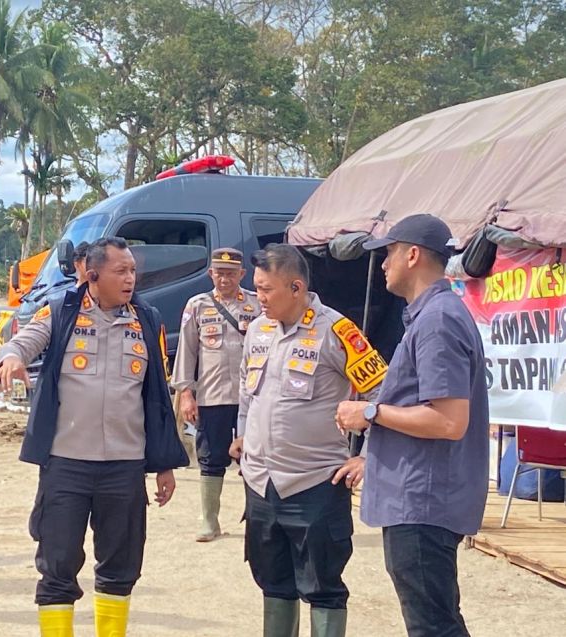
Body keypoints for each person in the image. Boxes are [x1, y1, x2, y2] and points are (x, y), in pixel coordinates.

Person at [0, 237, 188, 637]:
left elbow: (155, 396)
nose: (130, 278)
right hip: (66, 466)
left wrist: (164, 464)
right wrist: (12, 358)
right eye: (121, 271)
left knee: (120, 567)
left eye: (133, 270)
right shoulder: (62, 312)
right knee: (57, 564)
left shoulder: (147, 320)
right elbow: (21, 342)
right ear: (93, 275)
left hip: (124, 468)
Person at [336, 214, 489, 637]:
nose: (383, 264)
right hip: (421, 494)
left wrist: (369, 414)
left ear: (413, 254)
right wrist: (375, 457)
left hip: (425, 501)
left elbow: (449, 420)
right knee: (435, 620)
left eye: (388, 253)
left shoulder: (438, 319)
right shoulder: (432, 315)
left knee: (433, 626)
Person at [230, 243, 386, 637]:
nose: (258, 297)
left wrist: (369, 457)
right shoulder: (258, 330)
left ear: (296, 288)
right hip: (261, 485)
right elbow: (248, 393)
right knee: (273, 583)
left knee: (323, 590)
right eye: (257, 288)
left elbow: (382, 394)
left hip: (314, 484)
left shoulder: (338, 331)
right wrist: (243, 434)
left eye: (266, 289)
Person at [172, 247, 260, 541]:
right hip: (213, 396)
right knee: (210, 456)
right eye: (219, 273)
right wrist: (186, 393)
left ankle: (255, 518)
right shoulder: (197, 306)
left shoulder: (256, 304)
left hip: (251, 396)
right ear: (211, 273)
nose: (224, 279)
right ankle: (209, 520)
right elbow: (187, 352)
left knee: (255, 455)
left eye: (231, 273)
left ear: (242, 274)